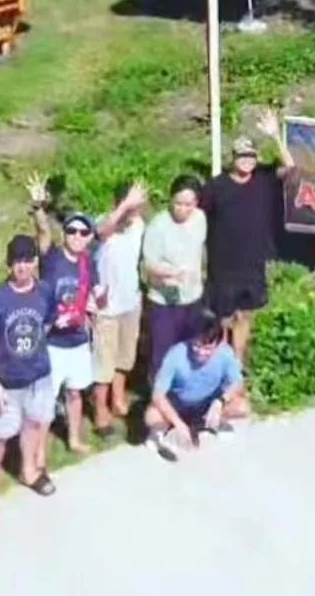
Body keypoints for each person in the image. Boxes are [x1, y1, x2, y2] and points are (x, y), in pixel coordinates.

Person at [0, 235, 58, 515]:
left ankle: (29, 471)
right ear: (8, 264)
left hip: (39, 376)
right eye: (16, 261)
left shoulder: (45, 291)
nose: (21, 267)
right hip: (7, 382)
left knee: (34, 423)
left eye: (27, 261)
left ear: (35, 262)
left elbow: (47, 324)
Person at [204, 107, 295, 364]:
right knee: (222, 319)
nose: (247, 160)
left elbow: (290, 168)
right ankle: (218, 364)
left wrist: (276, 136)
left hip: (252, 264)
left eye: (251, 156)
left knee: (245, 316)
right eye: (242, 156)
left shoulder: (264, 179)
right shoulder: (216, 186)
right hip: (222, 266)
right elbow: (199, 220)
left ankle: (237, 364)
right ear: (233, 158)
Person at [26, 176, 97, 460]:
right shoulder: (52, 257)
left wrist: (94, 304)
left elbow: (92, 293)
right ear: (65, 233)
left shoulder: (88, 262)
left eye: (83, 232)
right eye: (72, 231)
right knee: (45, 401)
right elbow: (43, 231)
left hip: (78, 340)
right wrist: (39, 207)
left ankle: (74, 439)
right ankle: (40, 452)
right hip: (52, 342)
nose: (77, 236)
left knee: (75, 394)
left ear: (89, 237)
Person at [87, 181, 148, 439]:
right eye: (132, 207)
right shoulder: (104, 225)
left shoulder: (139, 226)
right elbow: (100, 232)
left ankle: (119, 399)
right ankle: (101, 411)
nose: (135, 213)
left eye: (138, 207)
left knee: (125, 357)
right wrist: (125, 206)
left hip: (130, 303)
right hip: (105, 309)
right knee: (104, 362)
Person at [145, 311, 251, 461]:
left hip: (208, 402)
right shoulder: (176, 353)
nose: (200, 353)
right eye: (196, 346)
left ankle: (211, 422)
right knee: (152, 416)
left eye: (207, 349)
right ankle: (171, 428)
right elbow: (158, 395)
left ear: (219, 344)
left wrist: (220, 401)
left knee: (242, 407)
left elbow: (237, 383)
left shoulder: (225, 353)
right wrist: (179, 424)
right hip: (179, 403)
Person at [142, 173, 208, 385]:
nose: (183, 209)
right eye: (178, 203)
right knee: (162, 356)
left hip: (193, 298)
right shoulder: (158, 226)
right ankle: (159, 401)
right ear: (170, 199)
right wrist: (167, 274)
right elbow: (148, 266)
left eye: (189, 204)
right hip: (165, 302)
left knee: (192, 351)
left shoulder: (200, 218)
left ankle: (187, 398)